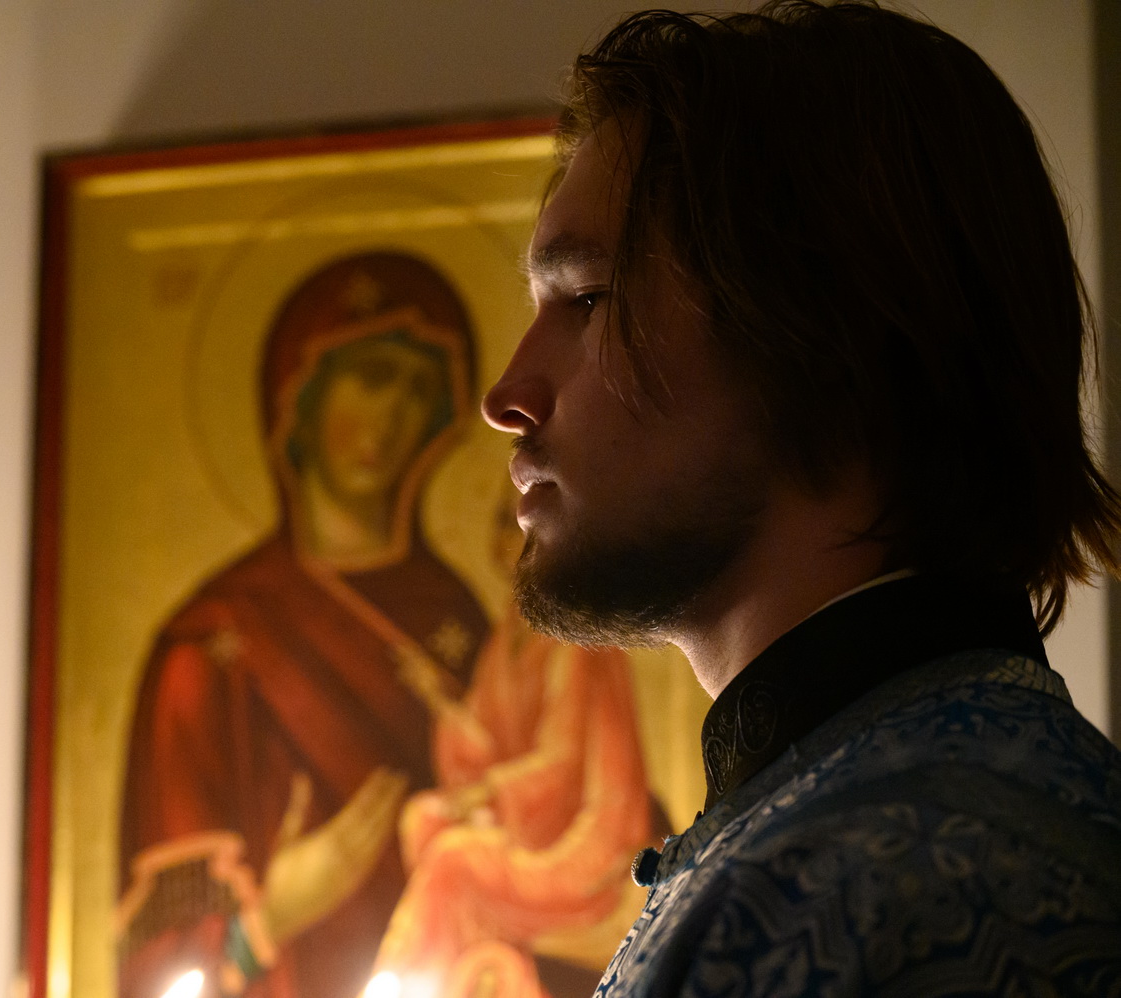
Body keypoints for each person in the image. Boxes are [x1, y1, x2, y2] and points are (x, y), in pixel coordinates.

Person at [480, 2, 1121, 995]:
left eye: (588, 300)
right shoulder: (890, 819)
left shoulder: (862, 890)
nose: (506, 397)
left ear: (823, 333)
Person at [117, 252, 490, 998]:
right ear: (300, 393)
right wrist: (275, 913)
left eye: (418, 390)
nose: (391, 416)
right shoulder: (211, 641)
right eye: (372, 378)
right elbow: (158, 951)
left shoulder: (458, 619)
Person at [372, 492, 670, 998]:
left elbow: (561, 765)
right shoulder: (509, 634)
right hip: (527, 822)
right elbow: (484, 747)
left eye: (522, 527)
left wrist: (487, 794)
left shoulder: (575, 638)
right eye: (503, 524)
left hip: (580, 841)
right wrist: (438, 698)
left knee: (453, 858)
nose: (511, 538)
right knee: (422, 820)